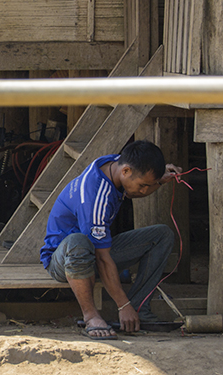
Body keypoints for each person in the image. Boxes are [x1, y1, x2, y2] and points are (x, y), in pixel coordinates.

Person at [40, 140, 180, 340]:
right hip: (63, 260)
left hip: (93, 250)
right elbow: (103, 259)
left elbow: (134, 182)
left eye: (149, 186)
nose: (144, 191)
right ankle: (91, 316)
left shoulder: (116, 164)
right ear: (126, 172)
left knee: (162, 235)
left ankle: (140, 307)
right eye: (143, 185)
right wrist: (123, 306)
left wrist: (157, 178)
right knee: (78, 242)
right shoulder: (95, 196)